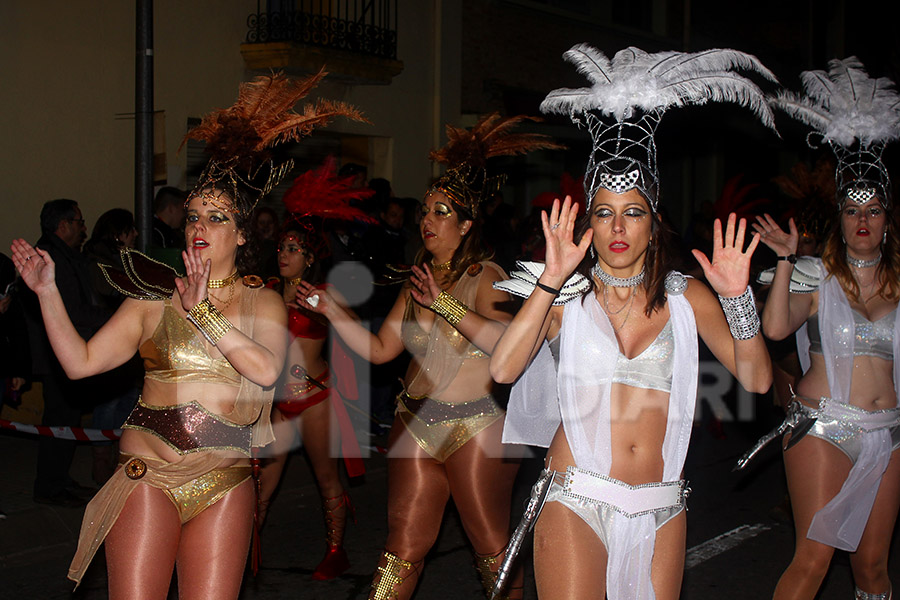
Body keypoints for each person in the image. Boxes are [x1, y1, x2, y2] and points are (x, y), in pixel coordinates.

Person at [12, 71, 363, 597]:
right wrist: (46, 293)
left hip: (223, 480)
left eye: (217, 217)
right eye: (194, 215)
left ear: (242, 233)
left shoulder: (260, 298)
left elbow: (267, 371)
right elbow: (81, 363)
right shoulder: (152, 295)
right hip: (147, 472)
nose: (199, 225)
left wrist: (208, 315)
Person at [489, 45, 775, 599]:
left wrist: (739, 299)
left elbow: (758, 381)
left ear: (654, 221)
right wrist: (549, 281)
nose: (618, 227)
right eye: (604, 212)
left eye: (633, 212)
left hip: (660, 502)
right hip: (577, 494)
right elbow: (502, 370)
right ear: (589, 222)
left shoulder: (688, 296)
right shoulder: (566, 294)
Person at [296, 113, 561, 599]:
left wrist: (446, 304)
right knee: (402, 547)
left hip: (477, 426)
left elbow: (507, 346)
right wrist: (333, 311)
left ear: (465, 224)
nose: (427, 220)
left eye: (441, 212)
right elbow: (381, 350)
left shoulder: (486, 275)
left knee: (490, 546)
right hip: (415, 421)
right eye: (426, 210)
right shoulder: (419, 277)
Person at [754, 58, 900, 600]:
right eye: (853, 210)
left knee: (873, 571)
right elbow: (773, 330)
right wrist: (789, 262)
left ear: (887, 220)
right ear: (838, 219)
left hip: (888, 433)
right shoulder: (817, 276)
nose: (863, 220)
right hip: (822, 427)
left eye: (875, 210)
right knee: (813, 560)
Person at [257, 213, 366, 579]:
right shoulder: (266, 291)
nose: (283, 255)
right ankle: (240, 548)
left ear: (309, 258)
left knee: (326, 479)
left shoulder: (323, 294)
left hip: (316, 401)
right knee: (260, 484)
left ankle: (335, 550)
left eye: (293, 249)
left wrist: (328, 310)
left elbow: (356, 331)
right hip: (278, 406)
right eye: (280, 248)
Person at [24, 199, 107, 506]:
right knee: (59, 420)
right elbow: (74, 311)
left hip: (62, 352)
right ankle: (50, 485)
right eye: (79, 222)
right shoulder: (51, 258)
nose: (83, 228)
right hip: (57, 355)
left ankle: (58, 479)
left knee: (66, 420)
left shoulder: (62, 255)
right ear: (63, 226)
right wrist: (117, 319)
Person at [82, 208, 142, 484]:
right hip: (106, 339)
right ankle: (101, 460)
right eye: (131, 230)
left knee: (128, 398)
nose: (136, 236)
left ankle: (119, 456)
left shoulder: (120, 260)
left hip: (126, 340)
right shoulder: (98, 262)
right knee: (109, 403)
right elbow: (108, 298)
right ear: (118, 234)